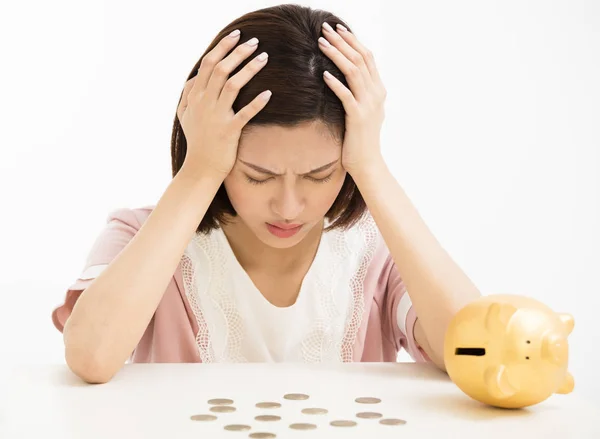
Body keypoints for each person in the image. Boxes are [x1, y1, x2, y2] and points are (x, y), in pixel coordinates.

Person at [52, 4, 482, 384]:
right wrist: (198, 170)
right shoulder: (138, 235)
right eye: (258, 176)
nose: (289, 207)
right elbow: (91, 357)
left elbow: (477, 349)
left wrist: (372, 167)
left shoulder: (378, 252)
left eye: (319, 175)